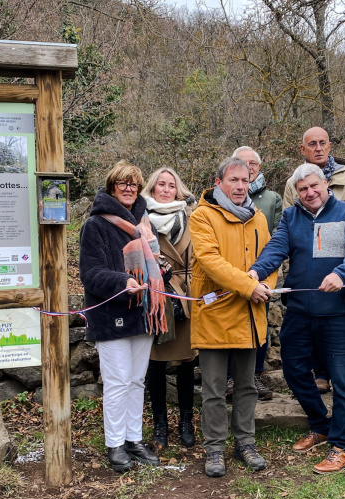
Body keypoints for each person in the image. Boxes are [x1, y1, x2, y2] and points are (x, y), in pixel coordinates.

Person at [250, 163, 345, 474]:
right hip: (300, 311)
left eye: (314, 186)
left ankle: (344, 446)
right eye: (303, 189)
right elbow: (275, 250)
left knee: (343, 381)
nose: (310, 193)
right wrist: (255, 273)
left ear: (326, 183)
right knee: (293, 370)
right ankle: (321, 425)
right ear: (297, 193)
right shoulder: (291, 216)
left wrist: (341, 273)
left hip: (338, 312)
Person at [189, 156, 278, 477]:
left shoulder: (258, 218)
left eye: (245, 180)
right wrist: (248, 286)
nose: (241, 186)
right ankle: (214, 449)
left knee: (247, 386)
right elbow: (209, 260)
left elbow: (271, 258)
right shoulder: (201, 216)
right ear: (219, 183)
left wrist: (265, 285)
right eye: (234, 181)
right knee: (213, 389)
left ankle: (246, 444)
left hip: (251, 315)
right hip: (215, 315)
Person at [79, 160, 166, 472]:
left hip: (142, 314)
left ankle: (133, 439)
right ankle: (114, 444)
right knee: (117, 382)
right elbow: (90, 273)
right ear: (111, 187)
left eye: (133, 184)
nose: (129, 188)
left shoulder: (144, 223)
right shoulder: (96, 225)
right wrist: (122, 281)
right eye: (122, 183)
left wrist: (160, 270)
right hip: (110, 315)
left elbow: (153, 263)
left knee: (136, 381)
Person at [282, 126, 345, 394]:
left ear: (329, 146)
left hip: (343, 257)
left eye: (322, 143)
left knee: (337, 322)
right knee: (308, 321)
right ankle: (319, 374)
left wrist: (338, 219)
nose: (318, 148)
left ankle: (339, 382)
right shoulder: (293, 182)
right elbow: (289, 218)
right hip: (307, 259)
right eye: (312, 144)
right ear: (303, 149)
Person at [143, 166, 197, 451]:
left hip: (185, 296)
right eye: (160, 185)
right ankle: (160, 424)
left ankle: (186, 421)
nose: (165, 189)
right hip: (157, 295)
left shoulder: (192, 217)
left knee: (186, 361)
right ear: (152, 189)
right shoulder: (140, 219)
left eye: (171, 185)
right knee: (156, 361)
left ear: (178, 190)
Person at [225, 145, 282, 401]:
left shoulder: (272, 199)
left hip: (260, 275)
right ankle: (229, 377)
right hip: (230, 276)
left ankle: (254, 376)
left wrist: (264, 276)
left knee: (259, 327)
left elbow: (278, 239)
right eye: (242, 164)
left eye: (253, 165)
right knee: (227, 328)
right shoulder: (223, 199)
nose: (248, 169)